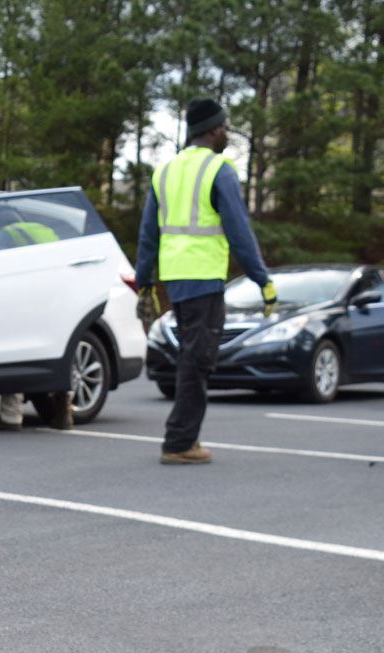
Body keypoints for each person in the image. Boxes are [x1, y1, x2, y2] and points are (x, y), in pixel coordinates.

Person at [135, 98, 275, 465]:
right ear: (213, 130)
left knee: (190, 356)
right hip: (203, 278)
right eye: (225, 127)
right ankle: (180, 442)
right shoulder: (219, 169)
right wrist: (263, 281)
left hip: (176, 278)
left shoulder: (164, 172)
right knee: (197, 360)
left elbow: (148, 234)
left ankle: (182, 438)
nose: (227, 133)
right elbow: (240, 233)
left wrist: (145, 282)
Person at [0, 208, 73, 431]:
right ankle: (64, 410)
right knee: (57, 356)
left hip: (23, 302)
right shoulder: (43, 230)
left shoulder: (4, 235)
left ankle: (11, 418)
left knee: (15, 354)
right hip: (56, 300)